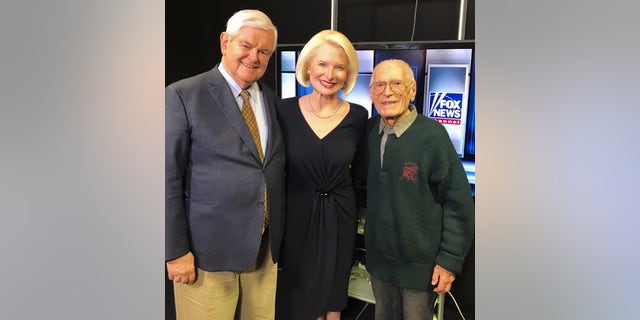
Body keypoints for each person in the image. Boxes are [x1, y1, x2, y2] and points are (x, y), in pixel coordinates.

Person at [165, 9, 286, 320]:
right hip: (207, 256)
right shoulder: (182, 95)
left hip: (263, 252)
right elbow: (165, 180)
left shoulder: (273, 102)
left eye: (264, 51)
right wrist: (175, 252)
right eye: (246, 46)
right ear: (224, 42)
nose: (254, 57)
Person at [364, 59, 475, 319]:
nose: (387, 92)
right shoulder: (369, 131)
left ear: (412, 90)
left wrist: (449, 261)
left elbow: (458, 203)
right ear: (370, 92)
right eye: (379, 85)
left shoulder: (433, 136)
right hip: (380, 264)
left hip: (419, 268)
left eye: (396, 84)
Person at [275, 29, 368, 320]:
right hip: (297, 214)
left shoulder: (358, 116)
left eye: (339, 67)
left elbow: (361, 171)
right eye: (323, 64)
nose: (330, 74)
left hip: (340, 214)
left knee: (333, 296)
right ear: (308, 67)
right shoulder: (283, 110)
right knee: (301, 295)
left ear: (348, 73)